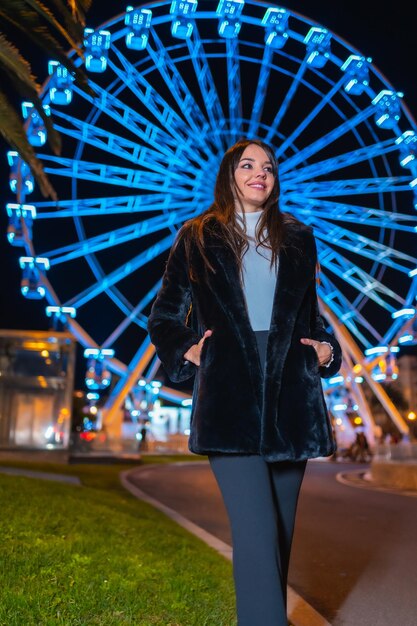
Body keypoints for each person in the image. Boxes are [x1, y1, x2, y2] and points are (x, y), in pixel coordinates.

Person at [147, 138, 342, 626]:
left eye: (269, 167)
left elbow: (308, 315)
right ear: (229, 174)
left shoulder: (298, 237)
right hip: (230, 392)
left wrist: (326, 349)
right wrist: (188, 349)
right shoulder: (197, 236)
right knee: (255, 535)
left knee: (279, 533)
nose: (261, 173)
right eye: (249, 165)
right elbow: (165, 316)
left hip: (290, 392)